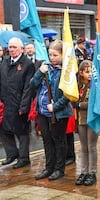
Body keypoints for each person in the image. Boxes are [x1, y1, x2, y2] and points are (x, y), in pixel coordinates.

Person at [31, 40, 73, 181]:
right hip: (43, 111)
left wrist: (55, 106)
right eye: (50, 54)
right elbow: (33, 84)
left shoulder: (66, 71)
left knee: (58, 140)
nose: (52, 58)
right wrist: (39, 72)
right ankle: (49, 167)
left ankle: (59, 169)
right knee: (47, 140)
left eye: (55, 55)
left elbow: (69, 94)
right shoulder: (45, 68)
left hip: (58, 113)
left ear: (62, 55)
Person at [0, 37, 35, 168]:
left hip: (19, 103)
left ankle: (24, 157)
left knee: (21, 131)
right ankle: (11, 154)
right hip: (5, 103)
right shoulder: (4, 62)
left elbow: (28, 87)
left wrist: (24, 106)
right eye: (10, 47)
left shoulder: (27, 64)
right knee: (4, 130)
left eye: (15, 47)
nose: (12, 49)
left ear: (21, 48)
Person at [75, 60, 99, 186]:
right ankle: (83, 171)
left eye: (91, 72)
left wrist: (79, 104)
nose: (89, 74)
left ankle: (92, 172)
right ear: (81, 73)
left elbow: (93, 104)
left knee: (92, 146)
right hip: (81, 119)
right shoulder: (78, 85)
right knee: (83, 147)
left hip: (92, 119)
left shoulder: (95, 85)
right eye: (86, 72)